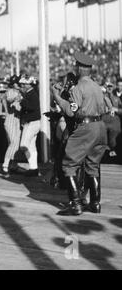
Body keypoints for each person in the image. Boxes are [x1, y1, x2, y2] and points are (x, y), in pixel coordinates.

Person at [52, 52, 107, 216]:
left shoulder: (79, 88)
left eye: (76, 66)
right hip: (100, 127)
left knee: (69, 164)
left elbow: (70, 111)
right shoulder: (97, 86)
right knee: (93, 165)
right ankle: (95, 204)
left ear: (79, 68)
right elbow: (104, 108)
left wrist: (57, 97)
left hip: (85, 127)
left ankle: (76, 205)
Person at [19, 76, 41, 177]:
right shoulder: (30, 93)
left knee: (24, 145)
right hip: (33, 122)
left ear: (30, 85)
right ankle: (33, 168)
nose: (22, 86)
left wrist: (21, 101)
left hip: (32, 122)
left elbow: (32, 107)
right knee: (31, 146)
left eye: (24, 84)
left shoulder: (32, 94)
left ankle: (33, 167)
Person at [1, 75, 22, 175]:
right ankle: (5, 165)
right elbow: (9, 99)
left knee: (16, 144)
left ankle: (13, 164)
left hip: (17, 119)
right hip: (10, 119)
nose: (19, 84)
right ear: (13, 84)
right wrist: (16, 98)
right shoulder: (10, 91)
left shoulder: (19, 92)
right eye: (17, 83)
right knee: (13, 143)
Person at [102, 82, 122, 158]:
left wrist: (116, 109)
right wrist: (105, 110)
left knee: (113, 137)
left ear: (113, 88)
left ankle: (112, 149)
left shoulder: (117, 99)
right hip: (104, 121)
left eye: (111, 87)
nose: (109, 88)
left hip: (114, 122)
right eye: (108, 87)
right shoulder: (102, 98)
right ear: (105, 88)